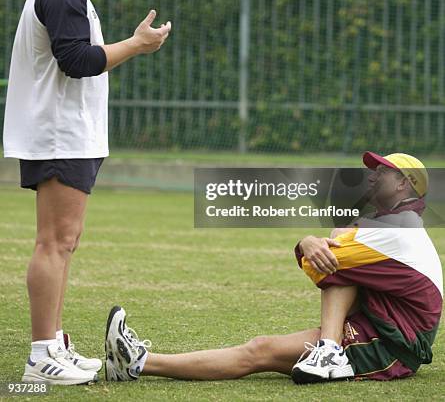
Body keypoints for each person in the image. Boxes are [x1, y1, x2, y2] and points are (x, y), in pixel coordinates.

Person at [3, 0, 171, 385]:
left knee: (65, 242)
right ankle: (41, 355)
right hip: (59, 137)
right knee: (54, 243)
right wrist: (137, 45)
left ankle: (54, 343)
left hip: (70, 137)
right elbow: (77, 61)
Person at [104, 152, 442, 384]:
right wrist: (314, 240)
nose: (372, 176)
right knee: (261, 348)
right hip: (381, 328)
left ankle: (139, 363)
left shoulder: (398, 226)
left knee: (261, 349)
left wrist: (308, 243)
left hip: (392, 347)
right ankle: (328, 349)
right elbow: (336, 251)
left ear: (404, 185)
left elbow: (320, 264)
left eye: (382, 172)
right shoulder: (394, 222)